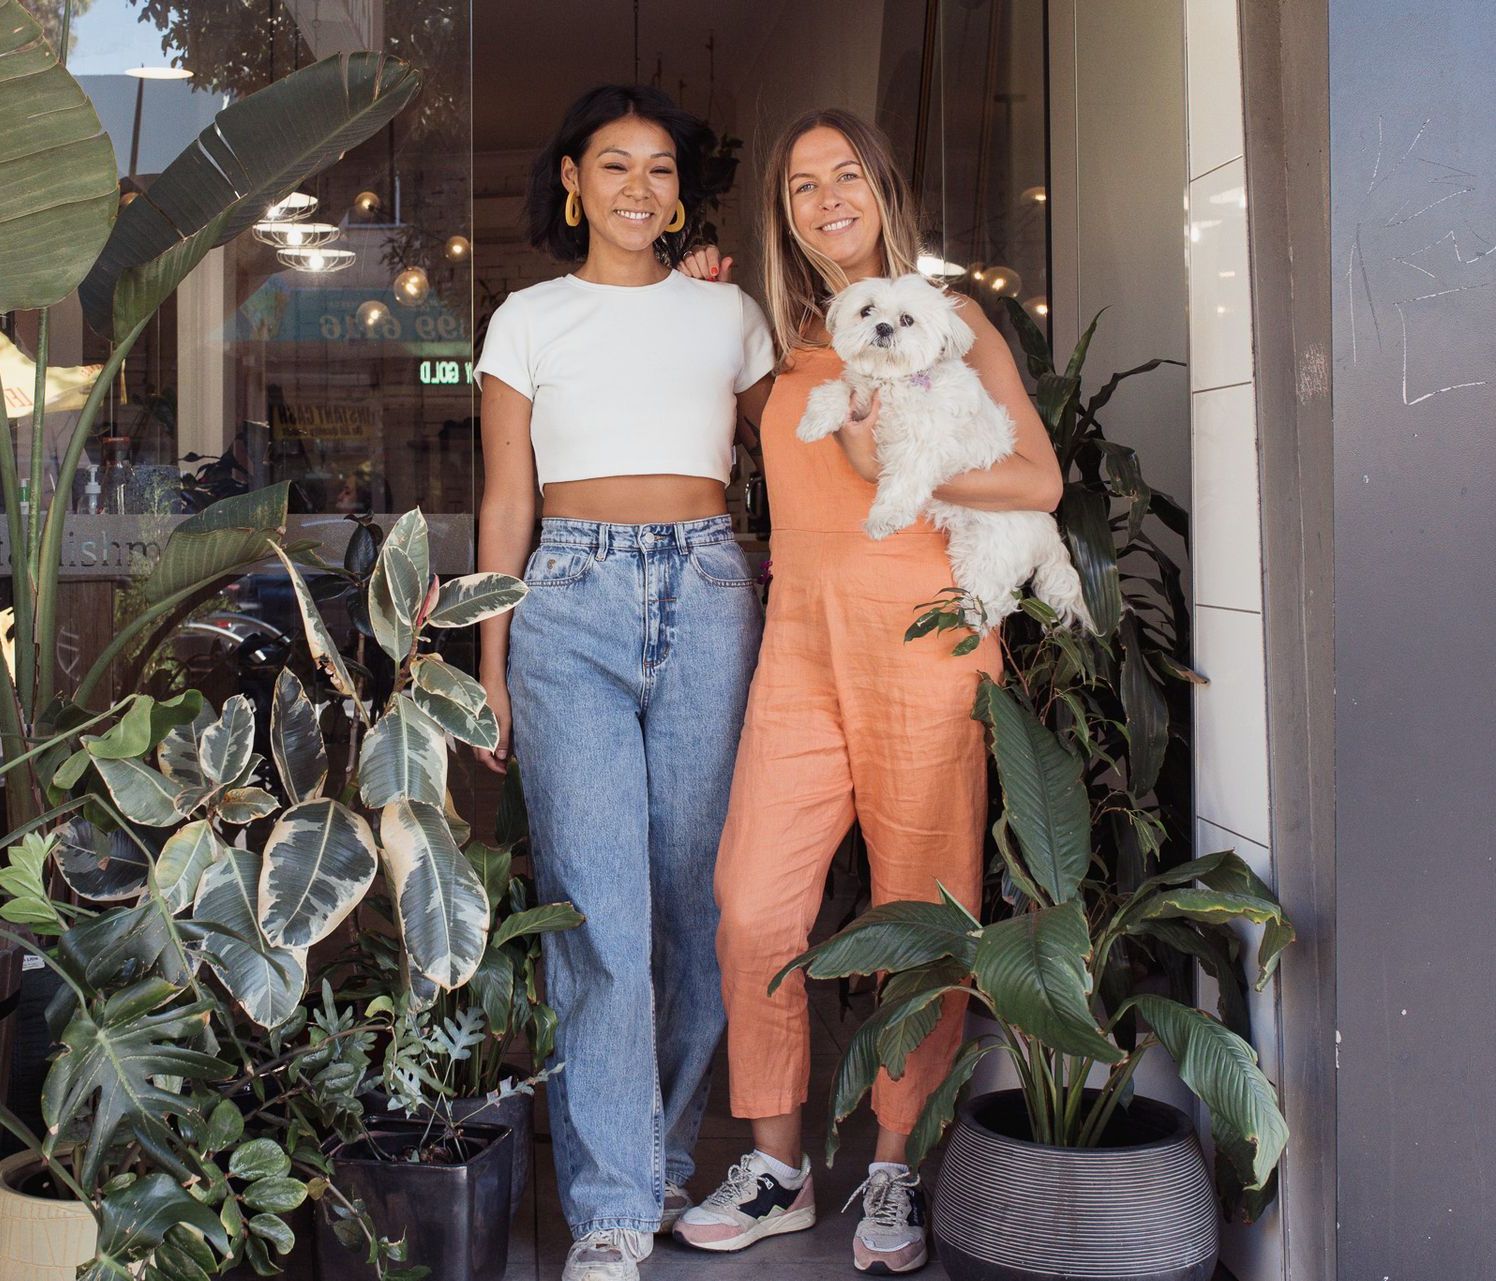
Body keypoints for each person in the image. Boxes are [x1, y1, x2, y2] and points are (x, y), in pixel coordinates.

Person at [672, 108, 1064, 1275]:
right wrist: (696, 295)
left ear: (883, 190)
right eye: (801, 185)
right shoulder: (779, 341)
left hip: (925, 641)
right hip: (800, 643)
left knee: (919, 907)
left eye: (844, 175)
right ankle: (776, 1166)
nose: (825, 198)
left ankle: (892, 1165)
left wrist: (890, 461)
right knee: (751, 903)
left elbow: (1037, 477)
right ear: (782, 214)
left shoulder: (954, 321)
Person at [473, 84, 775, 1281]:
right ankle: (609, 1207)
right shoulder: (526, 320)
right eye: (613, 165)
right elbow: (507, 499)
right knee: (598, 914)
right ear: (571, 181)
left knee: (701, 907)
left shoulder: (728, 313)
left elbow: (802, 449)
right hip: (566, 603)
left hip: (706, 590)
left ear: (680, 192)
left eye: (658, 169)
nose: (637, 188)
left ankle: (662, 1156)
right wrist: (488, 663)